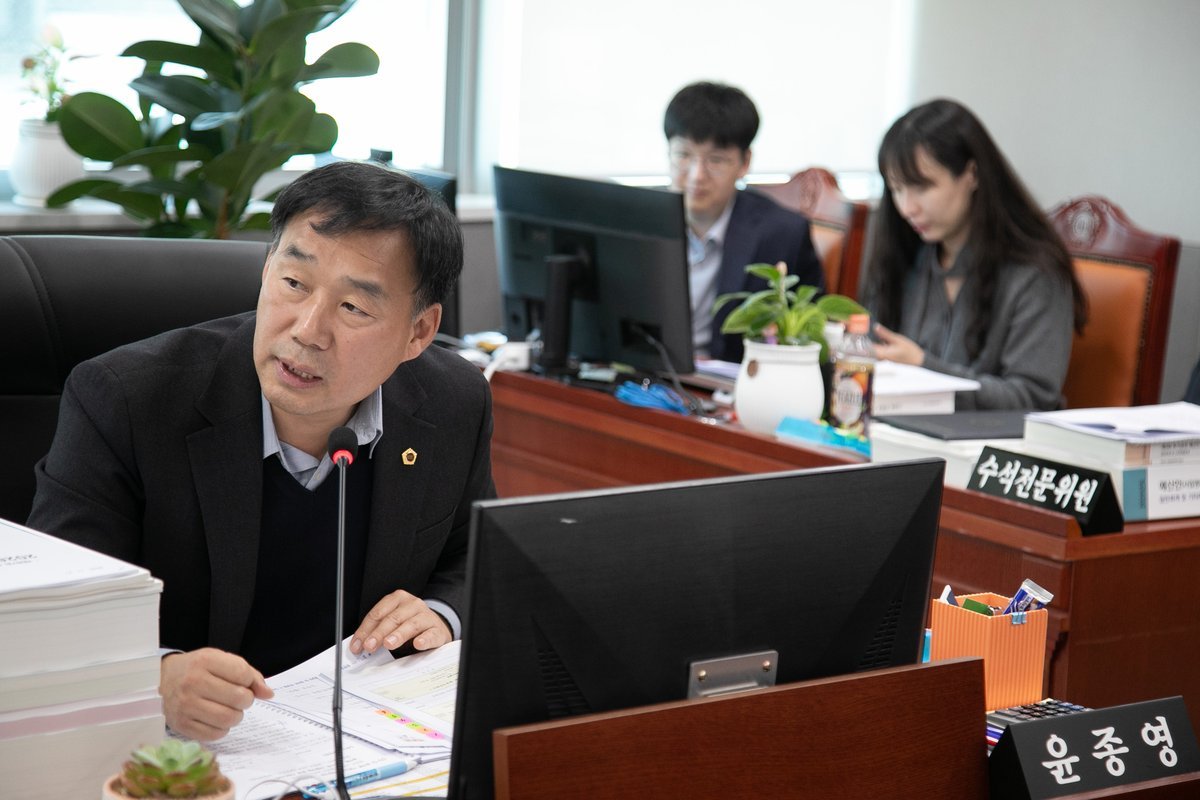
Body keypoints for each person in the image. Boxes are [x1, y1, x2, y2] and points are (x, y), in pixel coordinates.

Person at [26, 161, 495, 740]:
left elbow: (476, 557)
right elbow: (51, 609)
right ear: (267, 268)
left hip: (359, 739)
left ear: (418, 332)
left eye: (353, 307)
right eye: (294, 283)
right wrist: (152, 677)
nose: (308, 330)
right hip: (186, 750)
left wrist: (441, 614)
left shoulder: (452, 401)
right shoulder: (127, 400)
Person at [861, 98, 1087, 410]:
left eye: (922, 187)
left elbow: (1033, 399)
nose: (907, 207)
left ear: (972, 174)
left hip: (992, 440)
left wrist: (924, 367)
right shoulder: (904, 255)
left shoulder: (1034, 273)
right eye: (897, 189)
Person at [664, 81, 824, 363]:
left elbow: (812, 330)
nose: (697, 175)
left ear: (744, 162)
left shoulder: (783, 234)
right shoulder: (634, 219)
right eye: (684, 155)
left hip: (731, 382)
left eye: (716, 160)